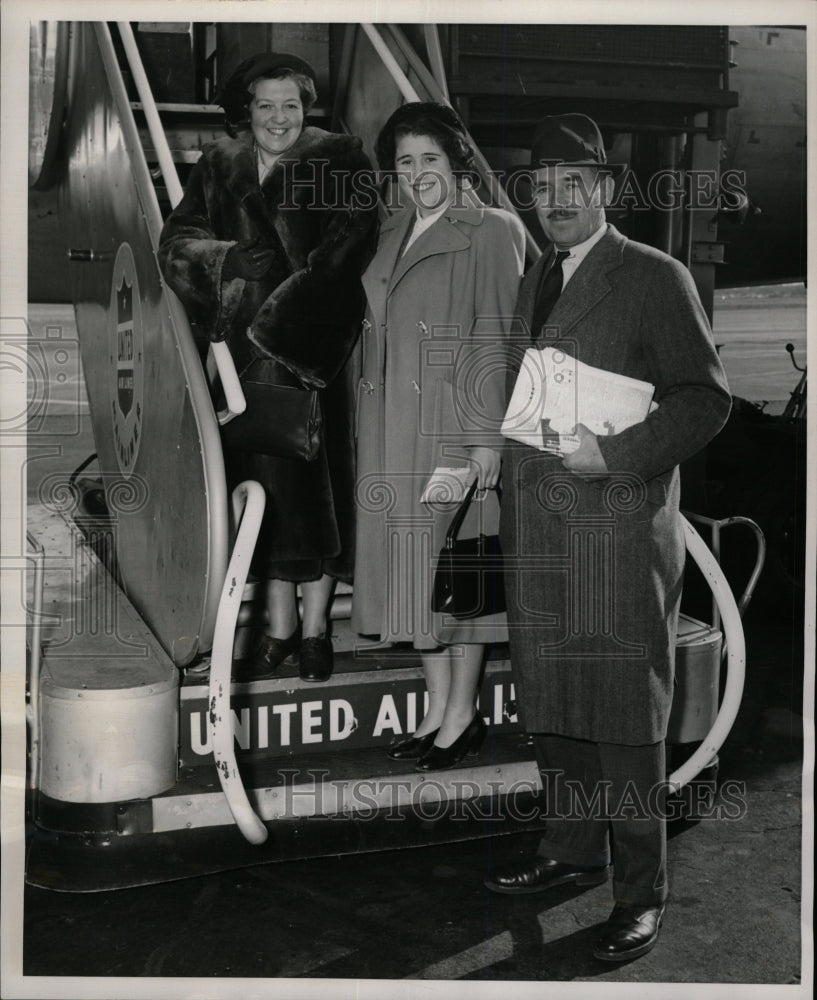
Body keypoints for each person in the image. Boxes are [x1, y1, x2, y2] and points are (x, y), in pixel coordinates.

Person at [488, 115, 731, 961]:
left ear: (605, 190)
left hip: (617, 528)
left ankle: (639, 891)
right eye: (541, 185)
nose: (554, 200)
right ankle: (567, 851)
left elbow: (704, 400)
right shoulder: (538, 275)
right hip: (542, 528)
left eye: (572, 184)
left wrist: (614, 457)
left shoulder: (653, 275)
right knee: (554, 703)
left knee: (626, 719)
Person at [159, 52, 376, 683]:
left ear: (307, 107)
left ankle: (315, 633)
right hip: (240, 366)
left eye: (290, 104)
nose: (278, 118)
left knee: (316, 495)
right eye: (264, 105)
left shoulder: (341, 159)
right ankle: (278, 629)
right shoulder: (220, 162)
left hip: (310, 355)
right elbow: (174, 243)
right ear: (245, 109)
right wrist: (226, 259)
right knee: (264, 496)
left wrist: (278, 325)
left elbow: (350, 250)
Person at [352, 102, 525, 770]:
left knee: (456, 578)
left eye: (429, 158)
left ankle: (462, 717)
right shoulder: (392, 228)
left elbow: (499, 338)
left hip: (449, 431)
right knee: (412, 584)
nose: (417, 172)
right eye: (404, 161)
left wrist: (484, 443)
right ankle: (435, 710)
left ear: (455, 160)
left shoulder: (489, 229)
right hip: (390, 430)